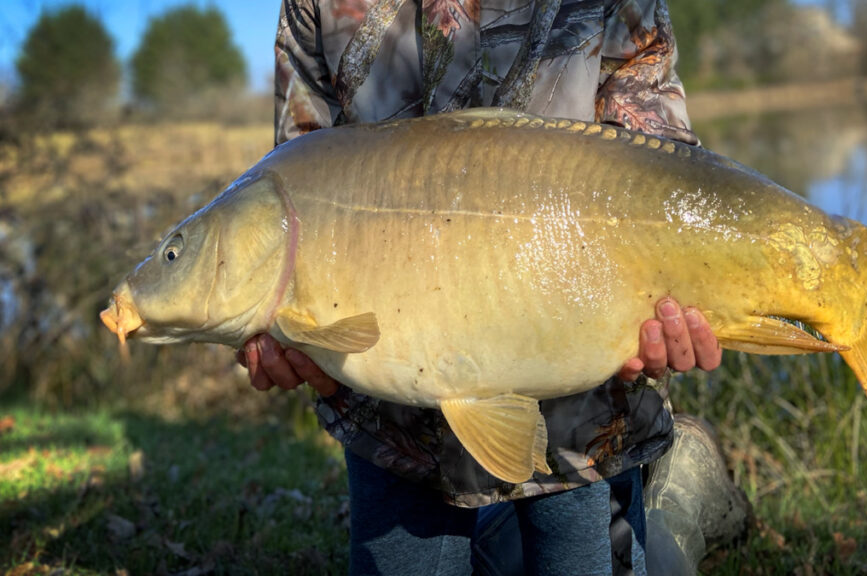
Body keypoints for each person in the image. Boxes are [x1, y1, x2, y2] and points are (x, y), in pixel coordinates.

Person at [239, 0, 724, 573]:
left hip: (586, 408)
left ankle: (676, 509)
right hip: (393, 422)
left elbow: (660, 150)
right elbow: (303, 159)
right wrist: (275, 325)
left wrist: (679, 301)